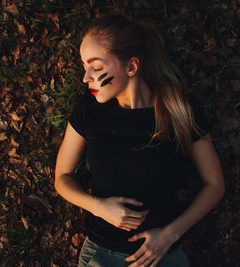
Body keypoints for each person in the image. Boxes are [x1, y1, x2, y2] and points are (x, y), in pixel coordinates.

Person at [54, 14, 225, 267]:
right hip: (102, 255)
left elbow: (215, 185)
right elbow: (62, 178)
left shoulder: (178, 111)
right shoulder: (88, 109)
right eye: (84, 67)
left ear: (131, 67)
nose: (86, 78)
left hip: (161, 256)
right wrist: (99, 207)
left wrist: (170, 235)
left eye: (97, 67)